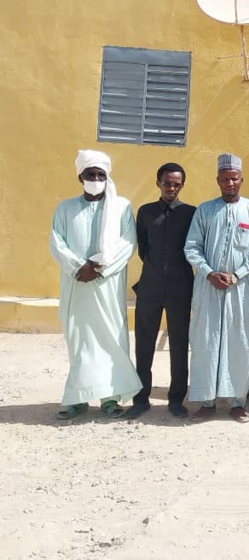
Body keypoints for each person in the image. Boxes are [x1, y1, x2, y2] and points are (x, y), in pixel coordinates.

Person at [49, 150, 141, 420]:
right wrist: (79, 268)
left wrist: (101, 270)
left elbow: (128, 243)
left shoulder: (121, 207)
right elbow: (57, 242)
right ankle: (78, 399)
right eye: (91, 174)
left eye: (101, 174)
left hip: (107, 287)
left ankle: (111, 399)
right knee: (79, 342)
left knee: (111, 340)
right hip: (76, 285)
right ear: (80, 177)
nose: (96, 178)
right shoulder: (65, 208)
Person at [184, 154, 249, 424]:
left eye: (234, 178)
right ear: (217, 181)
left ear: (242, 180)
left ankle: (237, 402)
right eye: (224, 179)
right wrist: (209, 273)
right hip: (208, 287)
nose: (229, 183)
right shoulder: (205, 210)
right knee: (206, 341)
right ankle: (207, 402)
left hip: (240, 289)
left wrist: (236, 275)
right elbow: (192, 247)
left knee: (240, 342)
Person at [127, 162, 196, 420]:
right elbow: (143, 249)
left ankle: (176, 399)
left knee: (179, 344)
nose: (171, 188)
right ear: (158, 183)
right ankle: (141, 398)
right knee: (144, 344)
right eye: (167, 183)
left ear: (182, 186)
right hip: (150, 286)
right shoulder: (145, 212)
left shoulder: (191, 213)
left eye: (176, 184)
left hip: (180, 288)